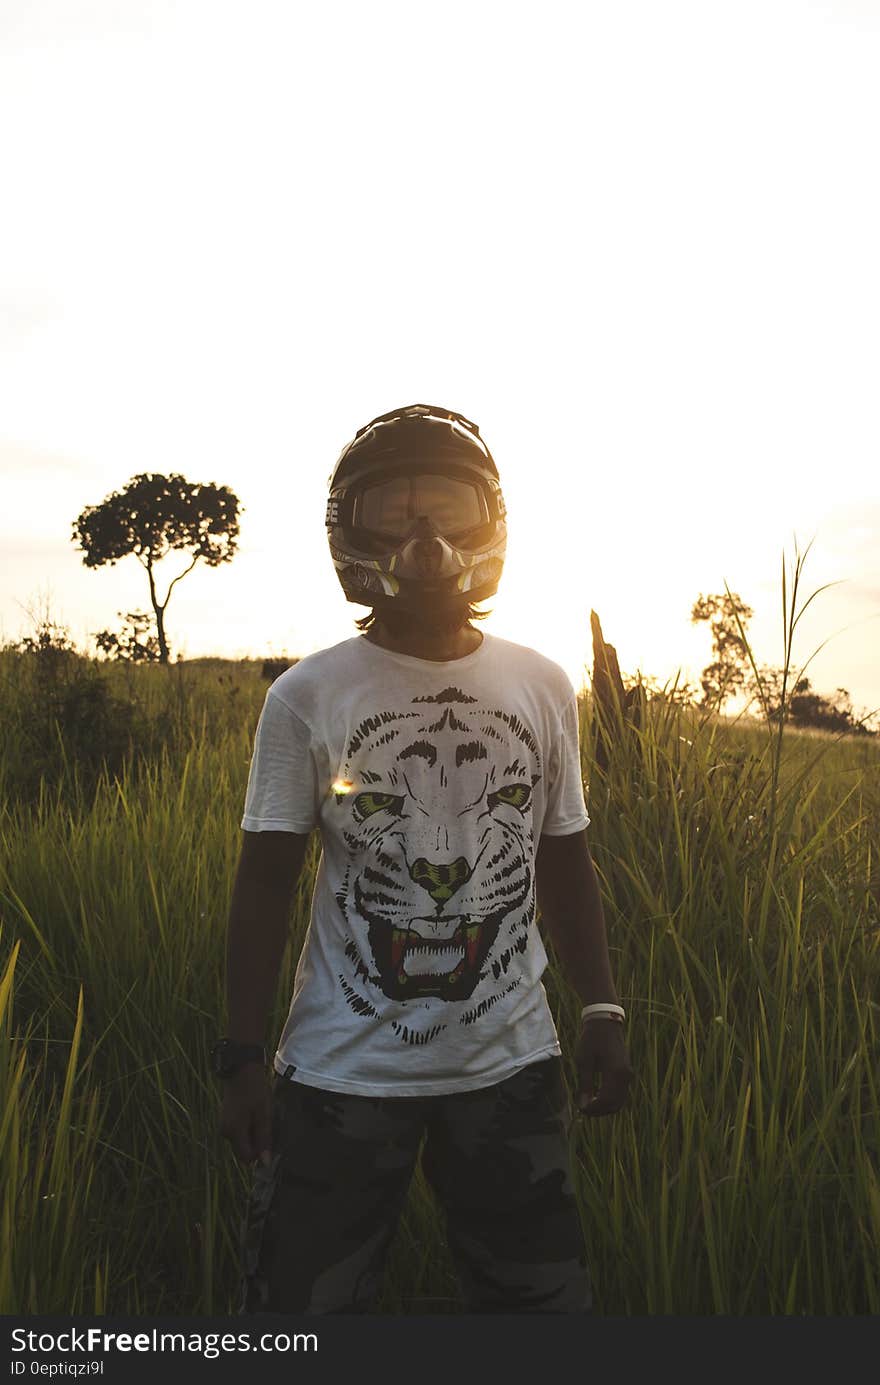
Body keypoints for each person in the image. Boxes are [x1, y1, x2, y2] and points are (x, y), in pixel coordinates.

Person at [216, 403, 634, 1315]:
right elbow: (264, 880)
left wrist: (599, 1001)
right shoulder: (306, 696)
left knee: (542, 1312)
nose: (423, 537)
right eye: (392, 509)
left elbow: (564, 856)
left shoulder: (540, 682)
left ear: (487, 518)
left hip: (511, 1066)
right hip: (338, 1077)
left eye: (444, 505)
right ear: (347, 529)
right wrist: (241, 1055)